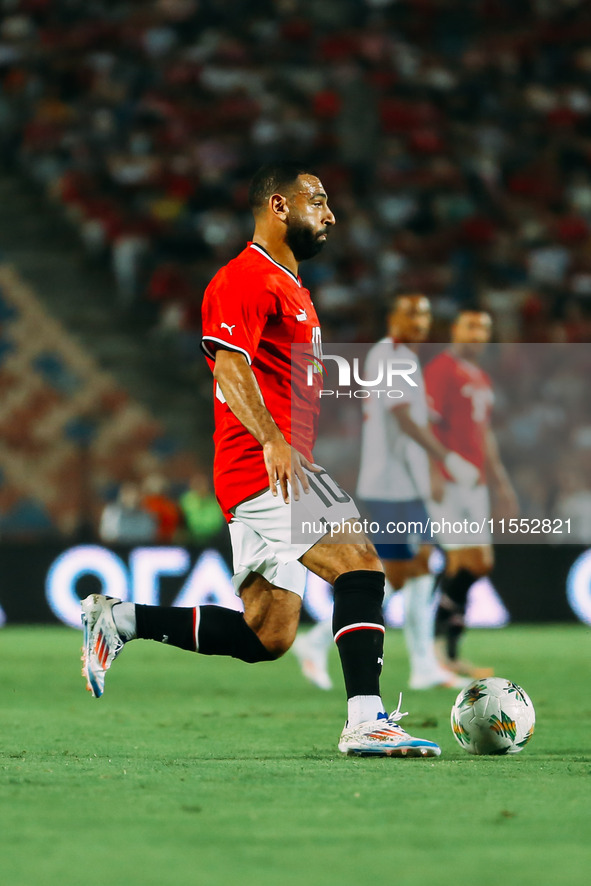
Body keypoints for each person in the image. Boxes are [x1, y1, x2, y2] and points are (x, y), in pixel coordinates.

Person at [81, 162, 441, 758]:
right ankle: (366, 720)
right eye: (318, 201)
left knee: (267, 633)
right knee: (361, 566)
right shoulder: (246, 277)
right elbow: (229, 365)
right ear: (279, 207)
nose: (330, 214)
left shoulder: (292, 288)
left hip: (264, 467)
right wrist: (275, 439)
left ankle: (120, 621)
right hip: (267, 463)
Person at [293, 295, 475, 692]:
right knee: (398, 572)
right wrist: (447, 459)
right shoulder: (389, 357)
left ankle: (421, 664)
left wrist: (431, 474)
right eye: (411, 312)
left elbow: (411, 429)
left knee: (419, 567)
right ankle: (321, 640)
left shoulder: (404, 359)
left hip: (406, 485)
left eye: (425, 314)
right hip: (389, 486)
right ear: (392, 317)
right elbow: (404, 420)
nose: (419, 320)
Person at [424, 308, 519, 678]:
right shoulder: (441, 370)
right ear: (457, 329)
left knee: (474, 564)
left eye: (483, 328)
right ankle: (439, 651)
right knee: (468, 562)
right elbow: (425, 425)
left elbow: (483, 435)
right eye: (471, 326)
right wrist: (432, 471)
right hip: (448, 479)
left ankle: (445, 652)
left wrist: (501, 482)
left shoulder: (480, 378)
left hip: (475, 483)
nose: (477, 333)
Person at [178, 471, 226, 545]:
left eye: (202, 484)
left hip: (213, 538)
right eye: (197, 484)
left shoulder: (213, 501)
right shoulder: (186, 500)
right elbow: (188, 521)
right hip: (191, 538)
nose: (200, 487)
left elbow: (216, 523)